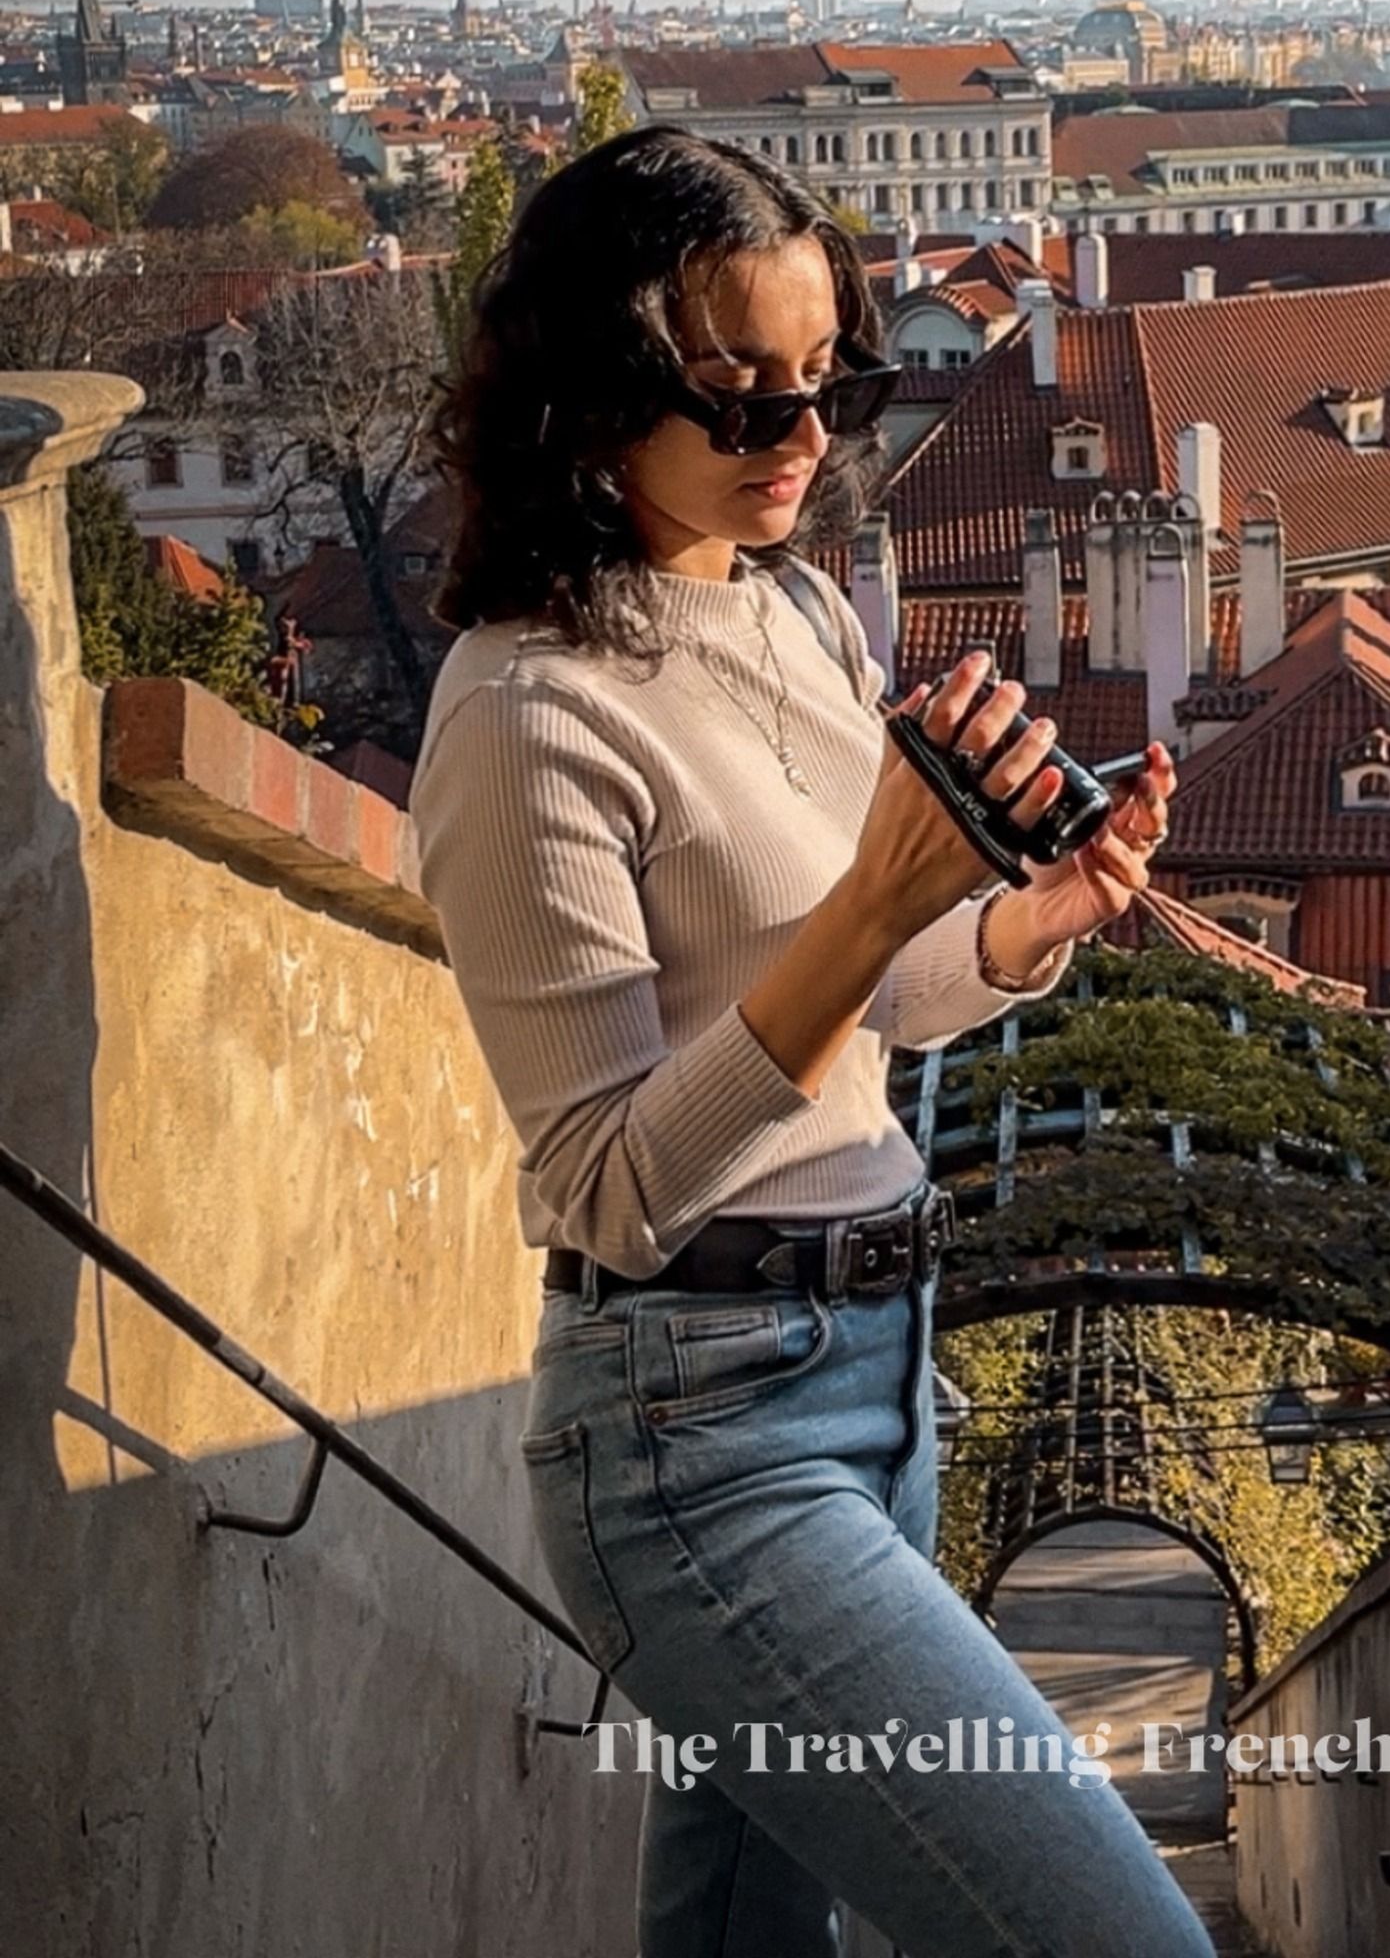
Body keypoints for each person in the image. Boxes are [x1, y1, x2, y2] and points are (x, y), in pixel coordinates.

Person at [410, 127, 1208, 1957]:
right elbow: (608, 1188)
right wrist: (870, 901)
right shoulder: (525, 713)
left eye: (829, 382)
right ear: (594, 389)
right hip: (695, 1434)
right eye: (741, 393)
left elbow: (882, 999)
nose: (802, 438)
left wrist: (1018, 922)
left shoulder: (792, 615)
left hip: (879, 1366)